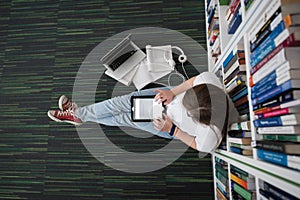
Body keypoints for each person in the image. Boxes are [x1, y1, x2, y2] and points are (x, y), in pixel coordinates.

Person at [48, 72, 238, 153]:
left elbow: (197, 144)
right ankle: (80, 115)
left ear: (203, 122)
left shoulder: (210, 137)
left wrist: (173, 131)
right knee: (119, 104)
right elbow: (192, 81)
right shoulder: (210, 81)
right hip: (170, 96)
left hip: (169, 124)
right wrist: (173, 92)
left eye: (190, 113)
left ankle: (79, 115)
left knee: (125, 117)